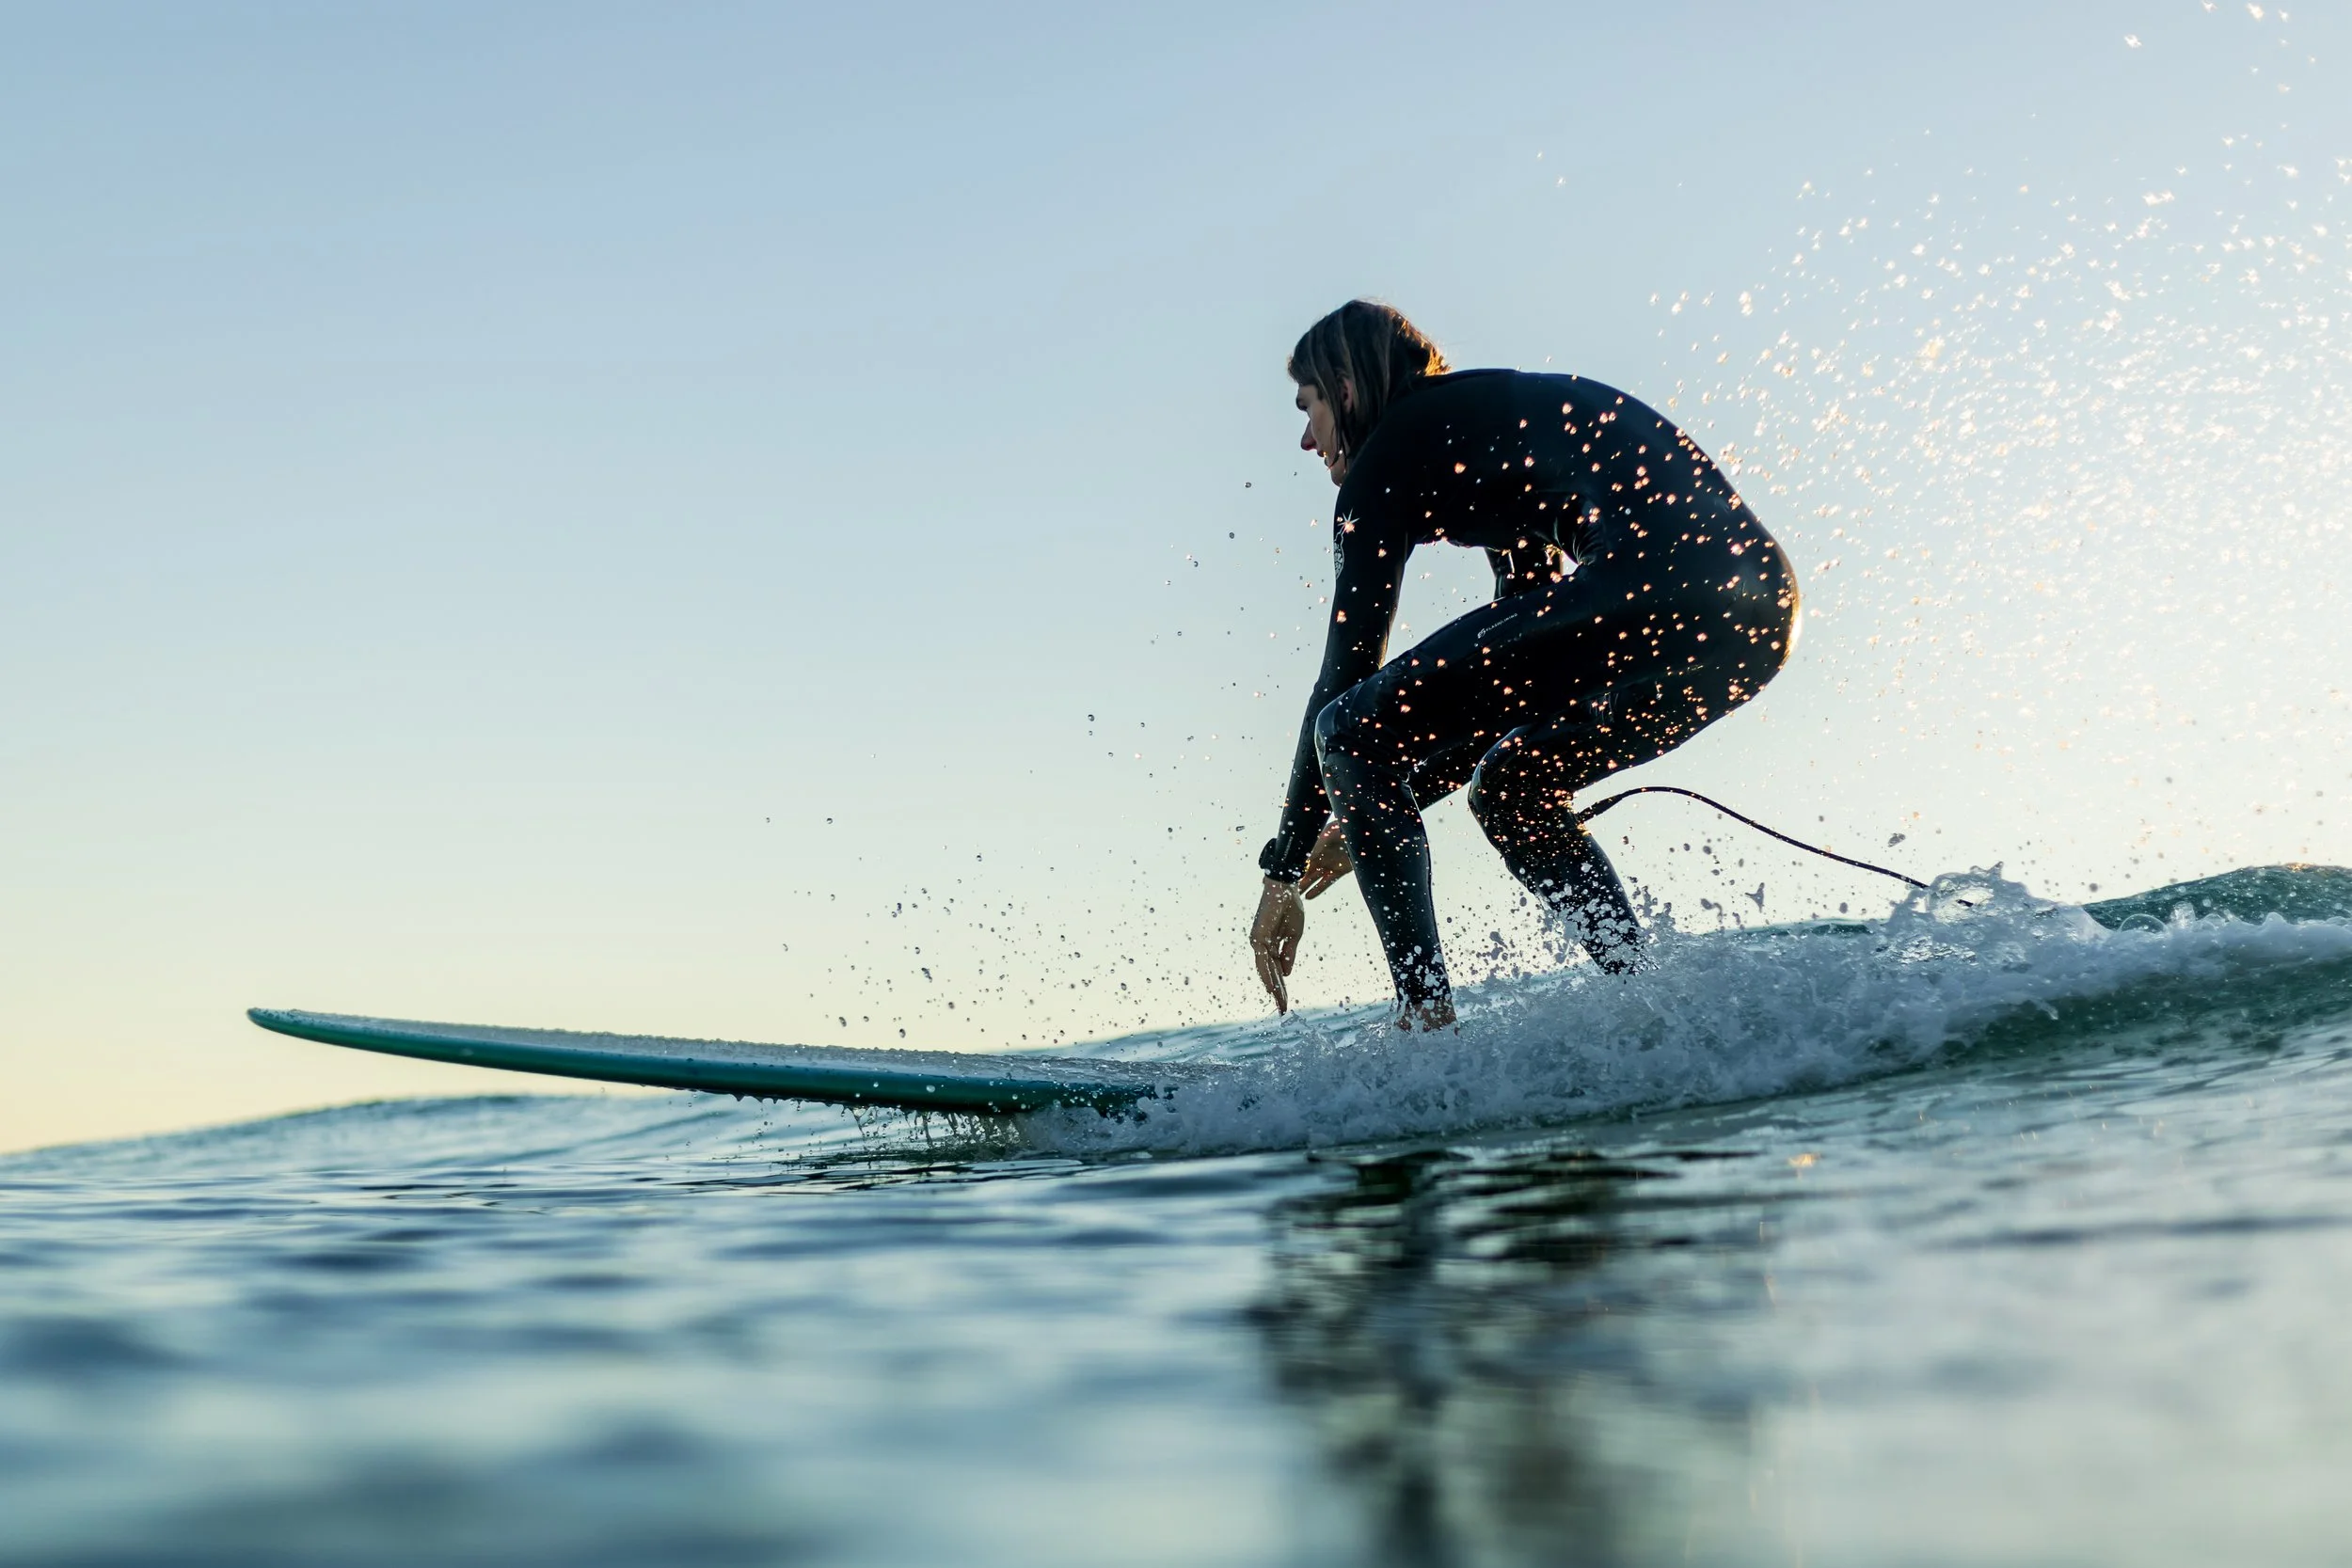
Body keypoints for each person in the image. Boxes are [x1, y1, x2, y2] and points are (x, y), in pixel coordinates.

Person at [1247, 301, 1799, 1028]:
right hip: (1755, 611)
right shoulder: (1484, 428)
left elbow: (1343, 680)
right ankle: (1652, 1011)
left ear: (1345, 391)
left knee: (1346, 730)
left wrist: (1283, 867)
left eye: (1308, 406)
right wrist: (1368, 811)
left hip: (1656, 582)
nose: (1305, 438)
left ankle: (1426, 1026)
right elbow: (1514, 688)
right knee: (1511, 786)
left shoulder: (1388, 455)